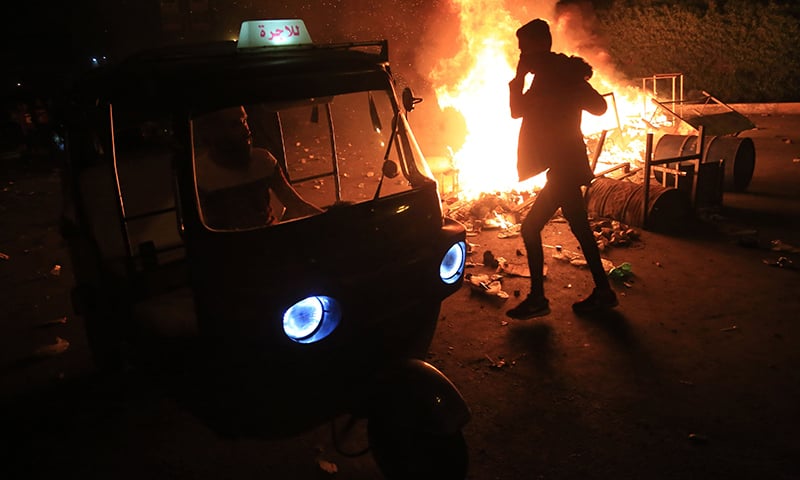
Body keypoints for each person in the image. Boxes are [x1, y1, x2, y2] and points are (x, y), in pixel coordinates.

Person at [505, 18, 618, 319]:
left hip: (563, 166)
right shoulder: (554, 73)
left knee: (530, 228)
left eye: (523, 48)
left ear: (539, 45)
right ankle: (604, 292)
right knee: (580, 228)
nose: (520, 54)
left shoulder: (553, 76)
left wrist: (520, 78)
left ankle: (538, 299)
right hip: (565, 164)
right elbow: (597, 107)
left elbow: (517, 111)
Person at [193, 106, 321, 229]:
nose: (246, 130)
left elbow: (295, 204)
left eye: (245, 121)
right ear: (213, 133)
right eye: (235, 124)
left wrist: (332, 218)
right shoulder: (199, 174)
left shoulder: (263, 161)